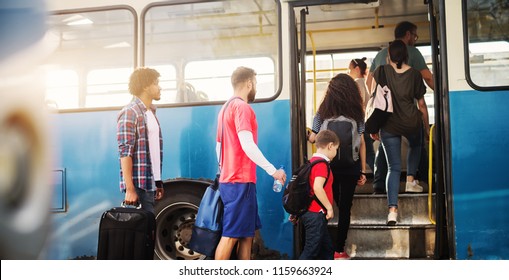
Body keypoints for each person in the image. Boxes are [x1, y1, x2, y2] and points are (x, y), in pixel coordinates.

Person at [214, 66, 286, 260]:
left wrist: (224, 171)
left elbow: (218, 147)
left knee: (246, 235)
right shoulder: (242, 107)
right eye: (255, 83)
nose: (255, 87)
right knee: (230, 236)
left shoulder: (225, 108)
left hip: (232, 179)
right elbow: (248, 144)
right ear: (249, 83)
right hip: (240, 181)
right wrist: (273, 171)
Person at [367, 21, 434, 194]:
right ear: (407, 34)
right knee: (418, 145)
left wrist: (380, 98)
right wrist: (445, 93)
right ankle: (428, 181)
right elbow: (427, 78)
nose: (415, 39)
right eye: (414, 35)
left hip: (386, 115)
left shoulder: (381, 54)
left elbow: (369, 83)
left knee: (384, 150)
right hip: (408, 113)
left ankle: (379, 185)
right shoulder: (413, 53)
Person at [308, 74, 367, 260]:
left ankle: (322, 248)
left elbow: (313, 138)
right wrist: (363, 170)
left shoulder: (323, 113)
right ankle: (339, 250)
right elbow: (362, 142)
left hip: (327, 167)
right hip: (351, 167)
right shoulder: (357, 113)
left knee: (326, 205)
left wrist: (307, 133)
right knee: (345, 208)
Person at [371, 40, 430, 225]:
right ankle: (411, 180)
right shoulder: (414, 74)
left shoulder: (381, 71)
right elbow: (421, 104)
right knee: (416, 144)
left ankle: (392, 211)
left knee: (393, 168)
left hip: (388, 124)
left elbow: (375, 98)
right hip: (412, 122)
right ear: (406, 55)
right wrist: (426, 128)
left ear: (389, 55)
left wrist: (373, 126)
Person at [117, 67, 164, 214]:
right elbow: (125, 153)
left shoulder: (150, 112)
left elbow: (153, 152)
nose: (160, 87)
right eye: (156, 83)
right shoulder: (130, 112)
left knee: (149, 233)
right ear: (145, 86)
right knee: (141, 235)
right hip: (139, 187)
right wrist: (130, 189)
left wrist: (158, 182)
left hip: (150, 185)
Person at [299, 130, 339, 260]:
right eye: (336, 149)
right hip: (315, 213)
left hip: (311, 212)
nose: (336, 152)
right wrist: (329, 207)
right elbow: (317, 188)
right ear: (330, 146)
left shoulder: (311, 162)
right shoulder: (322, 165)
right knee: (311, 251)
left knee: (327, 249)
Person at [348, 57, 375, 173]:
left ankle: (380, 181)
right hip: (367, 121)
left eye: (349, 69)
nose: (348, 72)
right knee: (368, 153)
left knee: (368, 154)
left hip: (362, 123)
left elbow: (359, 104)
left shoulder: (357, 83)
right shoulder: (365, 83)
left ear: (357, 69)